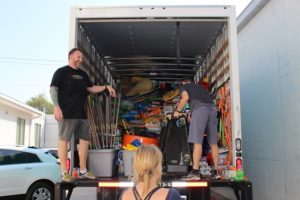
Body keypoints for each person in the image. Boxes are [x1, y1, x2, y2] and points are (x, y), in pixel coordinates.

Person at [50, 48, 116, 182]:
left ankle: (83, 170)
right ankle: (64, 172)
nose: (80, 60)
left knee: (85, 141)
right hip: (66, 114)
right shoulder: (61, 72)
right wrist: (56, 106)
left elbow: (91, 88)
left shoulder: (83, 74)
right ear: (70, 56)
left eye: (81, 58)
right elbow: (53, 89)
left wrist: (106, 87)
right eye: (78, 57)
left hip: (81, 114)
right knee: (64, 141)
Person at [173, 78, 220, 180]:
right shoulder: (200, 87)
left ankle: (195, 171)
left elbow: (185, 98)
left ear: (183, 82)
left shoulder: (183, 87)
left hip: (200, 110)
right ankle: (216, 171)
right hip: (212, 109)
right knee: (213, 142)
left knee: (197, 142)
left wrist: (177, 111)